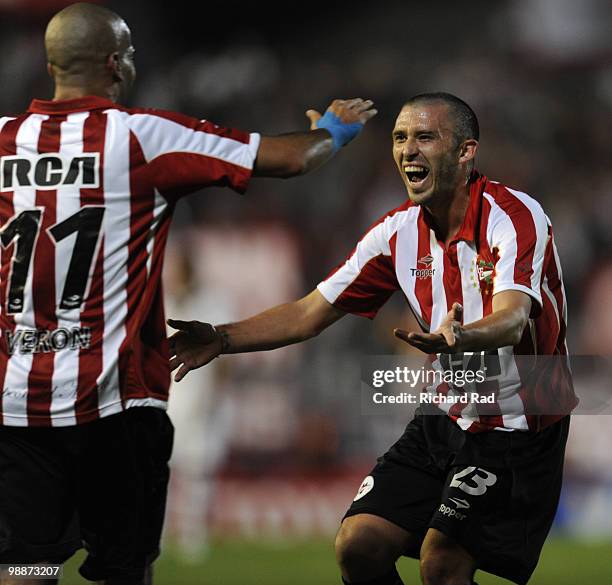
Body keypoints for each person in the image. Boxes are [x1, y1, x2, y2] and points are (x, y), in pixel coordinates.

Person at [0, 1, 377, 585]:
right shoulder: (141, 136)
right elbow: (293, 158)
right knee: (122, 571)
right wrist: (334, 129)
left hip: (18, 405)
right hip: (115, 403)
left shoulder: (2, 142)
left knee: (25, 569)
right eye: (128, 52)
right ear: (114, 64)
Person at [168, 92, 578, 585]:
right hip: (444, 416)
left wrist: (462, 336)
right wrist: (221, 337)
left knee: (442, 562)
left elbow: (513, 318)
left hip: (520, 421)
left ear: (466, 151)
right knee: (358, 546)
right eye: (400, 138)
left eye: (425, 136)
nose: (408, 150)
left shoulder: (513, 215)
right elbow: (308, 313)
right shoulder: (395, 234)